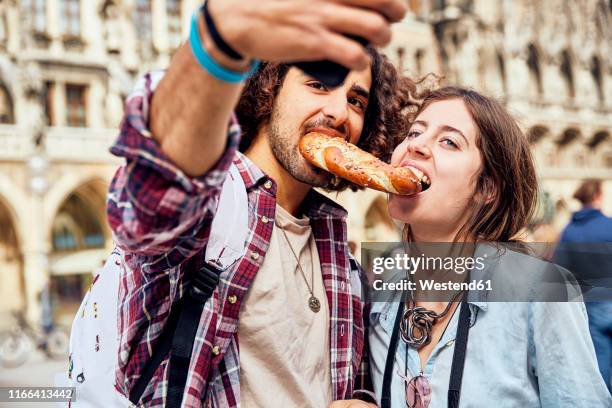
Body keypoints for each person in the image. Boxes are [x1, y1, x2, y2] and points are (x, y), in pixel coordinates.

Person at [106, 0, 411, 406]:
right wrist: (218, 46)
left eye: (356, 101)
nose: (339, 112)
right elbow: (156, 196)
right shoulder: (214, 210)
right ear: (268, 88)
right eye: (318, 84)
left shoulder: (344, 260)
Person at [367, 87, 612, 407]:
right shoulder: (377, 292)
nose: (416, 145)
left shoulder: (540, 292)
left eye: (449, 141)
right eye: (415, 131)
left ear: (487, 188)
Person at [555, 179, 612, 392]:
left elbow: (559, 272)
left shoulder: (569, 232)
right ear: (598, 196)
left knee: (601, 362)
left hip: (592, 307)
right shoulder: (610, 225)